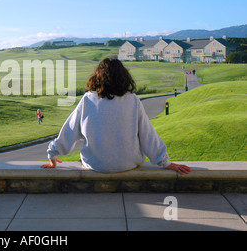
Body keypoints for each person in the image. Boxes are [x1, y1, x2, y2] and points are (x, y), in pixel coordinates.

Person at [41, 58, 191, 175]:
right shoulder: (133, 100)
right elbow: (148, 134)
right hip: (128, 164)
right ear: (124, 77)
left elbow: (69, 130)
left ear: (97, 77)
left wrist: (53, 154)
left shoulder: (88, 99)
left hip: (95, 165)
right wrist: (165, 162)